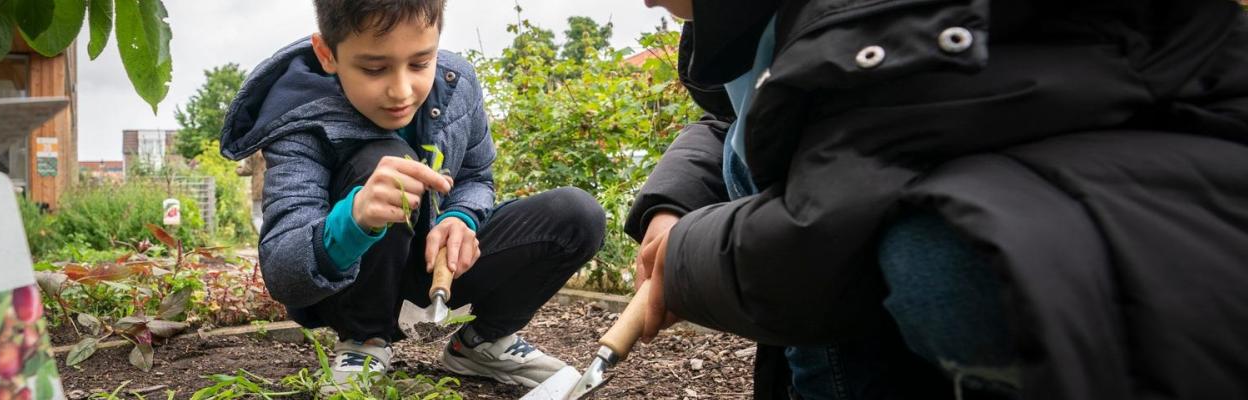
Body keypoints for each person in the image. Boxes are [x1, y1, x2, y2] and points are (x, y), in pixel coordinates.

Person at [628, 0, 1248, 399]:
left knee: (942, 261)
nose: (646, 2)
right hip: (834, 337)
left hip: (1127, 314)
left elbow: (820, 228)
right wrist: (669, 205)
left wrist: (681, 262)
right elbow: (734, 128)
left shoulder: (879, 22)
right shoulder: (748, 34)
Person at [218, 0, 607, 389]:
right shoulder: (298, 117)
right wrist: (353, 219)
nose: (402, 91)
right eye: (374, 68)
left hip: (431, 276)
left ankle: (479, 342)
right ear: (327, 54)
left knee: (576, 216)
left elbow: (475, 176)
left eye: (421, 63)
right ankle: (364, 340)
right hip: (348, 289)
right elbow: (284, 274)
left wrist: (461, 217)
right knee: (386, 159)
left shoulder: (458, 86)